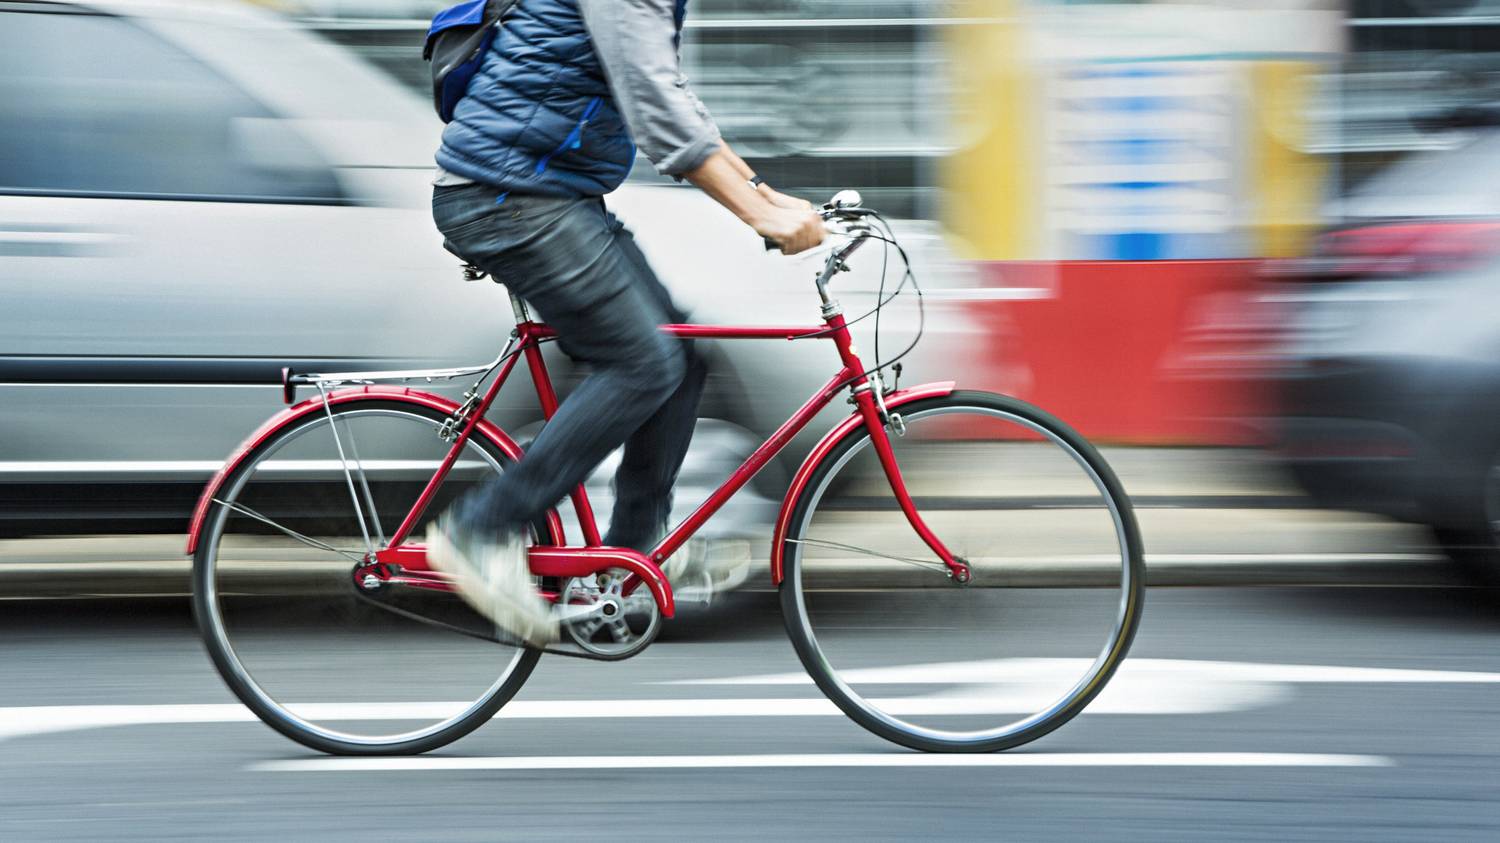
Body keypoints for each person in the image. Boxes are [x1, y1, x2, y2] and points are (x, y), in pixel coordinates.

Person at [425, 0, 826, 644]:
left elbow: (669, 92)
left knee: (682, 355)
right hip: (510, 196)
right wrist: (757, 216)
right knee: (644, 362)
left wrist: (762, 191)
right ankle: (482, 529)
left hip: (548, 194)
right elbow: (656, 108)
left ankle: (624, 567)